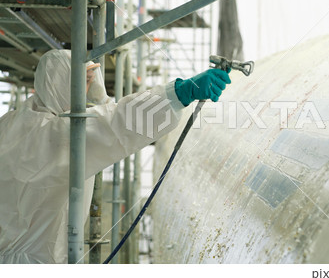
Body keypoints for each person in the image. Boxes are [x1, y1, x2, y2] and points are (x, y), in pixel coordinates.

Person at [0, 49, 231, 263]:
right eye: (81, 82)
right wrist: (179, 94)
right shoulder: (53, 135)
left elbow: (106, 113)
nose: (86, 91)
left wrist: (101, 100)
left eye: (89, 82)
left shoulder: (12, 123)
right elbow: (117, 123)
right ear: (60, 83)